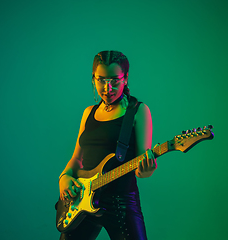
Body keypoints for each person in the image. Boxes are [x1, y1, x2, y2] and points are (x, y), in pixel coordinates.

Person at [57, 50, 157, 240]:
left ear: (125, 79)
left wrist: (146, 170)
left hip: (121, 204)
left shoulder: (138, 111)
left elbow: (141, 164)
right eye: (101, 79)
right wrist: (64, 177)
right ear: (93, 78)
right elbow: (77, 159)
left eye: (114, 80)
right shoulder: (88, 113)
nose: (107, 87)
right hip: (82, 201)